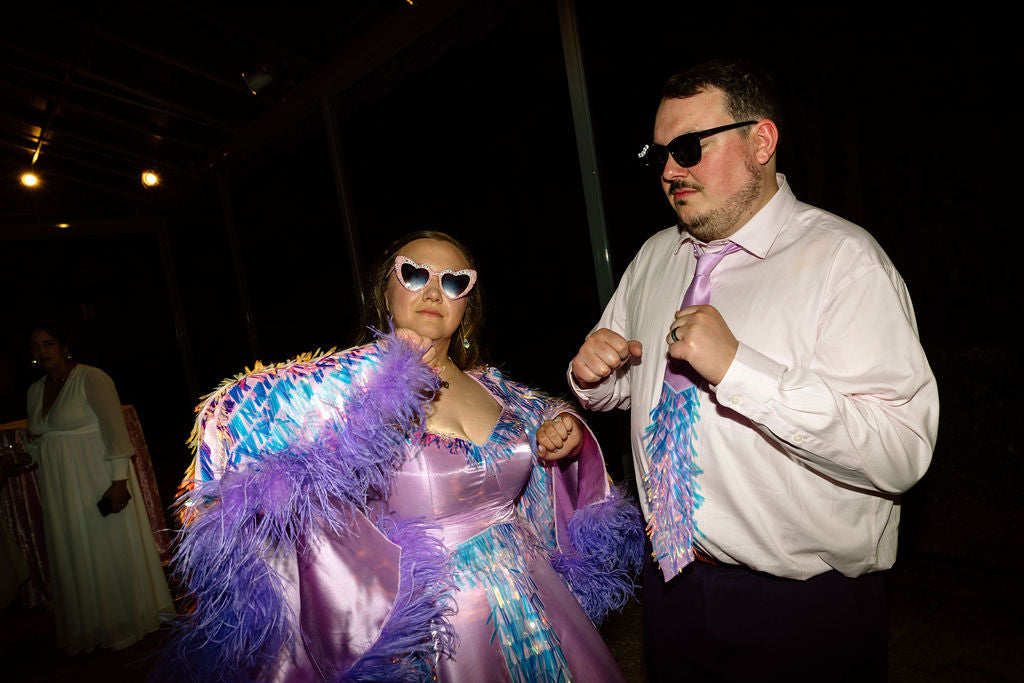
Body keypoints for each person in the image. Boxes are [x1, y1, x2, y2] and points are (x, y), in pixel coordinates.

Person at [568, 59, 938, 681]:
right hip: (671, 584)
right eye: (658, 153)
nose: (669, 171)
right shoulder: (656, 257)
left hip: (801, 609)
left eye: (689, 148)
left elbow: (901, 452)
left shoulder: (843, 261)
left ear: (761, 142)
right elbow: (633, 386)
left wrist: (740, 368)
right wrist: (594, 377)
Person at [165, 231, 643, 681]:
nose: (434, 291)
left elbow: (549, 419)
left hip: (540, 598)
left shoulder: (493, 387)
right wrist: (374, 369)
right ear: (386, 290)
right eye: (414, 274)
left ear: (466, 303)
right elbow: (229, 416)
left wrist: (563, 435)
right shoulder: (351, 394)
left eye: (453, 282)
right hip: (440, 625)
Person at [22, 326, 173, 653]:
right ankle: (92, 623)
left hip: (95, 476)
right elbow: (44, 440)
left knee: (107, 543)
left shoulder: (91, 378)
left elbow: (116, 431)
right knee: (76, 547)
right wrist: (23, 457)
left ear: (64, 346)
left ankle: (125, 620)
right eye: (35, 346)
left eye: (48, 343)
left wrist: (118, 481)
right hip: (60, 485)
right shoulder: (35, 390)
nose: (42, 351)